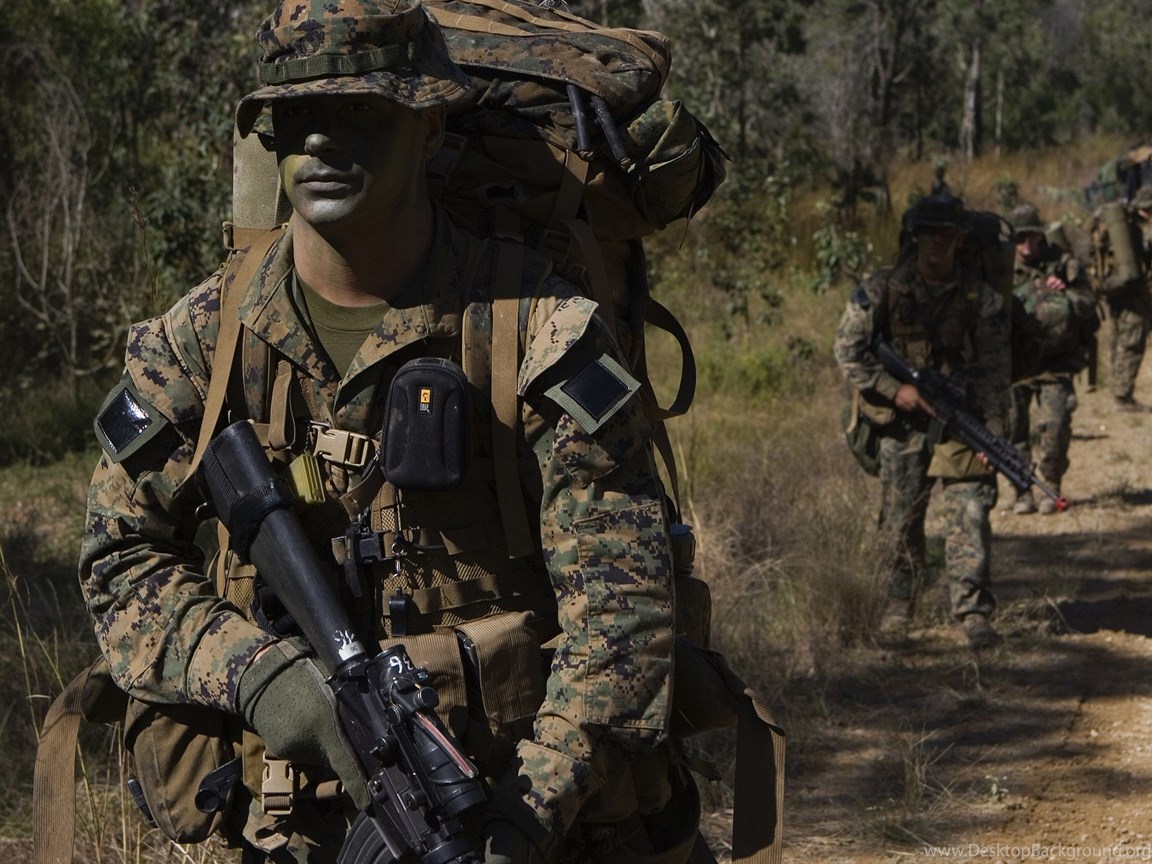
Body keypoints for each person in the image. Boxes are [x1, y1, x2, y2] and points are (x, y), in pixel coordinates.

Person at [78, 2, 696, 862]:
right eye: (296, 116)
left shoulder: (538, 331)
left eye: (357, 113)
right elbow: (119, 557)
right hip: (293, 826)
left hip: (522, 813)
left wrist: (525, 819)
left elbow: (623, 615)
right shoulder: (200, 342)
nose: (320, 141)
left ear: (429, 126)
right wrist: (262, 677)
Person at [833, 194, 1011, 650]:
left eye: (946, 234)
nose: (936, 242)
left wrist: (993, 430)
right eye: (927, 233)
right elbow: (847, 350)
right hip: (903, 421)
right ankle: (899, 604)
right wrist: (896, 390)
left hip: (961, 418)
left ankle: (972, 611)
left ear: (959, 239)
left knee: (970, 511)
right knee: (900, 517)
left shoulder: (980, 295)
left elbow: (995, 369)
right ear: (913, 237)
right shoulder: (883, 287)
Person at [1006, 204, 1099, 515]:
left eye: (1032, 237)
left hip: (1055, 363)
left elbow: (1089, 302)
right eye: (1020, 238)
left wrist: (1066, 292)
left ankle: (1051, 485)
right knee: (1014, 430)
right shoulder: (1000, 269)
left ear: (1041, 236)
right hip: (1014, 366)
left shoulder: (1062, 265)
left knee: (1056, 426)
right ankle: (1021, 490)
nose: (1026, 244)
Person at [1092, 184, 1152, 410]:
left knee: (1121, 339)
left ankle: (1119, 390)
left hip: (1115, 290)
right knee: (1132, 343)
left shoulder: (1121, 223)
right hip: (1132, 292)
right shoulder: (1134, 227)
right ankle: (1123, 397)